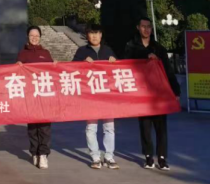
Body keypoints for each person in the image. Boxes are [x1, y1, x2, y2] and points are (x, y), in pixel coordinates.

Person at [124, 16, 181, 171]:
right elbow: (127, 62)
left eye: (149, 26)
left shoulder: (158, 48)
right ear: (138, 28)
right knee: (145, 127)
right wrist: (145, 56)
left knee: (161, 127)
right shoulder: (131, 46)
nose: (146, 29)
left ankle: (162, 158)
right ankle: (148, 157)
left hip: (158, 94)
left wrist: (176, 90)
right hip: (141, 94)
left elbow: (168, 71)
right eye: (143, 26)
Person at [73, 24, 118, 170]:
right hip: (90, 97)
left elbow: (119, 71)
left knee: (109, 128)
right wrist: (82, 63)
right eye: (91, 33)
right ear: (87, 35)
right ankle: (95, 157)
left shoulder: (108, 50)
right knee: (91, 128)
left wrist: (115, 62)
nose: (94, 36)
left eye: (97, 33)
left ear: (101, 35)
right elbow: (71, 69)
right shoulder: (81, 51)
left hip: (107, 96)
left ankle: (109, 157)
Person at [17, 26, 53, 169]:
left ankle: (43, 154)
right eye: (32, 35)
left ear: (40, 37)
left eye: (37, 35)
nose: (34, 38)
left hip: (45, 95)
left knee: (45, 127)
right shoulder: (22, 53)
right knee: (32, 127)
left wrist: (55, 65)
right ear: (27, 37)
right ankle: (34, 152)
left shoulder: (46, 53)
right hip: (30, 95)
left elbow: (53, 71)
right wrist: (18, 65)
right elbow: (17, 72)